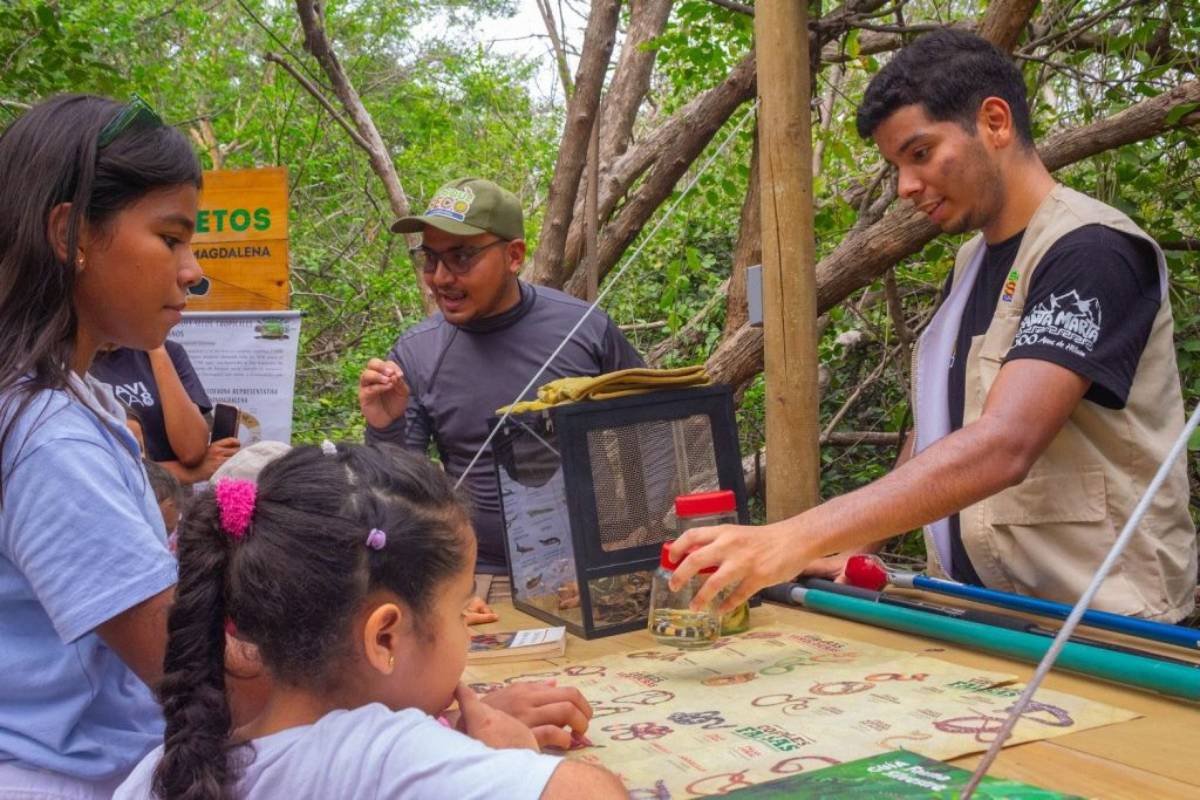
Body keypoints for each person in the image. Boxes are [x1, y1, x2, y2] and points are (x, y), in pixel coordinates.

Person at [669, 29, 1197, 623]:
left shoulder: (1091, 250)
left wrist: (795, 536)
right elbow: (943, 430)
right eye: (897, 165)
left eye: (920, 154)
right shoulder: (972, 264)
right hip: (983, 614)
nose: (905, 187)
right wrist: (851, 547)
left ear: (994, 122)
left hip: (1102, 625)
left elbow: (1004, 442)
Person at [114, 444, 625, 800]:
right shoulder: (388, 755)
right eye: (458, 610)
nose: (466, 632)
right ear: (385, 636)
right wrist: (521, 759)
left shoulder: (159, 774)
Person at [0, 93, 201, 796]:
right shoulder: (48, 441)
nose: (192, 270)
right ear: (71, 234)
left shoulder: (76, 400)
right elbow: (195, 679)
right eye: (171, 238)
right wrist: (417, 706)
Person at [359, 177, 644, 576]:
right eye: (430, 259)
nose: (441, 278)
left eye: (461, 257)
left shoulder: (584, 330)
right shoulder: (416, 352)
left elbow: (647, 439)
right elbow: (401, 492)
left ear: (513, 256)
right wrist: (385, 425)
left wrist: (633, 543)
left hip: (590, 570)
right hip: (475, 576)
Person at [91, 341, 241, 484]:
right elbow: (100, 469)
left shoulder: (169, 351)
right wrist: (189, 473)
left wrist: (156, 348)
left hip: (172, 505)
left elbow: (191, 451)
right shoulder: (75, 362)